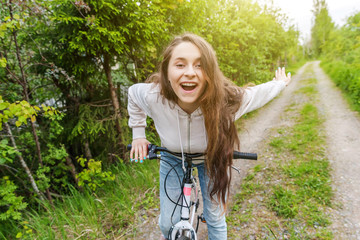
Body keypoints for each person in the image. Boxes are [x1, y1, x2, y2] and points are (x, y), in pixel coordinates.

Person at [128, 33, 291, 240]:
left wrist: (279, 84)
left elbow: (258, 94)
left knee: (215, 218)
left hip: (211, 156)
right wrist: (138, 135)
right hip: (172, 157)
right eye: (180, 65)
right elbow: (133, 94)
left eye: (200, 65)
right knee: (167, 223)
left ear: (211, 73)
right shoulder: (154, 96)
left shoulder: (226, 101)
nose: (189, 73)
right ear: (166, 72)